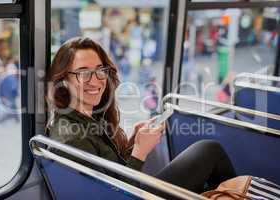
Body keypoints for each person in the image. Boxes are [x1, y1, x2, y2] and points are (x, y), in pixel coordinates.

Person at [46, 37, 236, 195]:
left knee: (206, 160)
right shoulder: (72, 140)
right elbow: (112, 195)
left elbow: (112, 173)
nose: (96, 80)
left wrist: (133, 143)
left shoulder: (86, 118)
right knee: (209, 151)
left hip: (130, 191)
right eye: (84, 72)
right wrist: (140, 152)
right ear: (63, 80)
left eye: (99, 70)